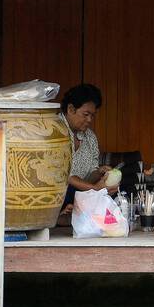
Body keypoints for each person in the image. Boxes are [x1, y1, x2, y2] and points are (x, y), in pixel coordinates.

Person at [60, 83, 117, 215]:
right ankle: (61, 215)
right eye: (86, 114)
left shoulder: (90, 137)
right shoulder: (54, 131)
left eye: (93, 115)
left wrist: (100, 173)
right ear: (70, 109)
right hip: (61, 192)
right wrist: (95, 188)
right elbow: (63, 175)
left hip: (81, 193)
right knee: (67, 191)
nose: (90, 119)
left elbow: (91, 174)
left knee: (115, 190)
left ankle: (72, 213)